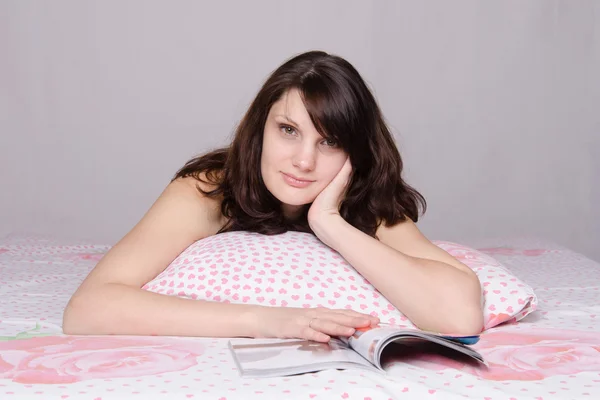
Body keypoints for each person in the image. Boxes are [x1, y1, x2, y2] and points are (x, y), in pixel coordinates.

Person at [63, 51, 483, 343]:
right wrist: (266, 320)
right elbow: (88, 307)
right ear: (260, 127)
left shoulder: (365, 199)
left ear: (355, 152)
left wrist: (330, 224)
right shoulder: (208, 189)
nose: (303, 161)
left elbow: (459, 315)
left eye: (329, 141)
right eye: (288, 130)